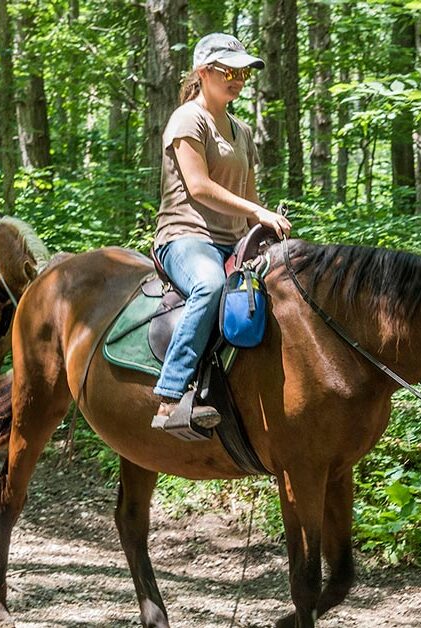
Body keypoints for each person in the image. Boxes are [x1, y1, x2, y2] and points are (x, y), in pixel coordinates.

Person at [151, 33, 291, 435]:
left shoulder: (241, 130)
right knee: (211, 286)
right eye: (228, 70)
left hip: (234, 241)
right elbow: (199, 187)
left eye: (243, 71)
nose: (238, 78)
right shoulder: (187, 119)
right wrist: (257, 211)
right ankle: (170, 396)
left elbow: (248, 195)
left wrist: (264, 232)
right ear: (203, 72)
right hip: (185, 237)